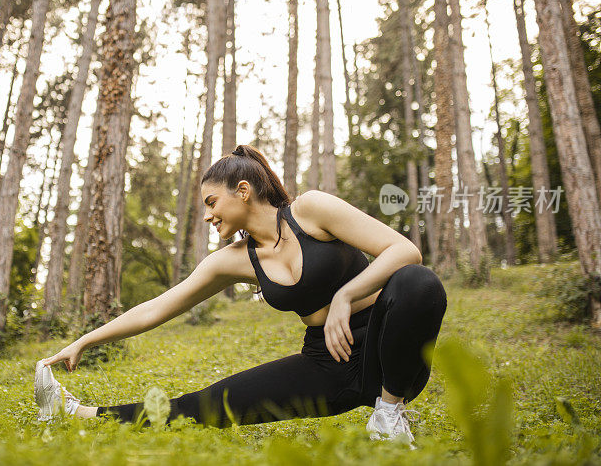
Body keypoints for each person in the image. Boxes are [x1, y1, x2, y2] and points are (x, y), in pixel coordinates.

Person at [37, 144, 447, 445]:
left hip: (387, 349)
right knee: (212, 403)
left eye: (212, 202)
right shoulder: (232, 260)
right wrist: (86, 340)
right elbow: (158, 308)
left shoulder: (312, 210)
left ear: (244, 190)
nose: (207, 214)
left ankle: (389, 416)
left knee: (418, 281)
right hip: (328, 363)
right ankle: (78, 412)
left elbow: (405, 250)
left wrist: (345, 297)